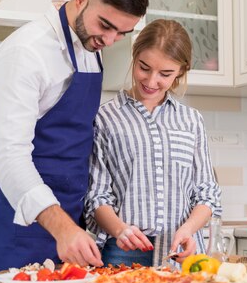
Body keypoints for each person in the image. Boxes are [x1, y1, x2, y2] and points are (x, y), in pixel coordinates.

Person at [0, 0, 148, 283]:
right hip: (21, 219)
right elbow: (9, 157)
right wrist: (63, 228)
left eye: (123, 33)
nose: (110, 40)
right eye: (106, 25)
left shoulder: (92, 45)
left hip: (72, 217)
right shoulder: (26, 52)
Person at [84, 19, 222, 268]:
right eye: (144, 68)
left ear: (181, 70)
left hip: (182, 250)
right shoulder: (105, 118)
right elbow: (97, 196)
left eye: (165, 74)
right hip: (123, 251)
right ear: (134, 57)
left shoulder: (191, 121)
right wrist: (120, 230)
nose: (151, 81)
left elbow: (207, 193)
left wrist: (189, 230)